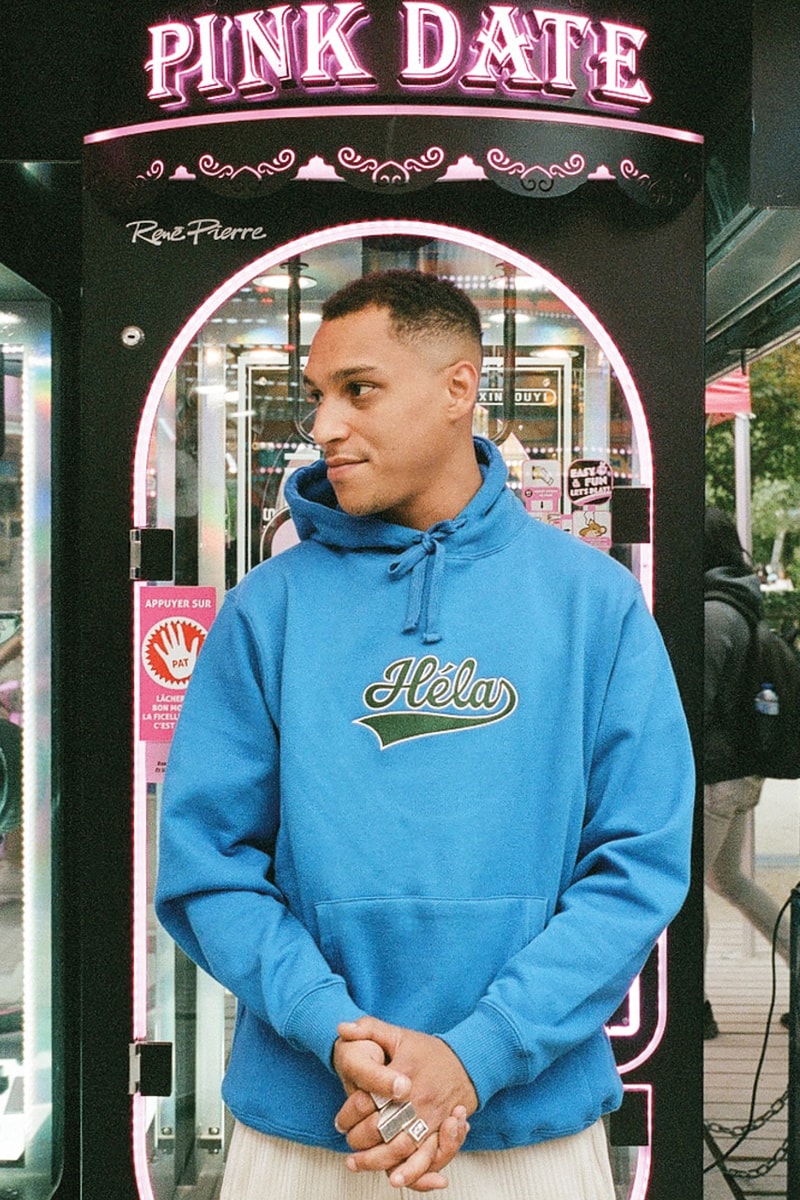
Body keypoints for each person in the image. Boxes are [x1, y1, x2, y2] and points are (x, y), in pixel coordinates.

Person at [155, 269, 694, 1198]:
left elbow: (639, 864)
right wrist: (330, 1026)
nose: (325, 425)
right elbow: (207, 864)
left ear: (458, 389)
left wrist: (480, 1052)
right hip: (313, 1125)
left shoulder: (592, 603)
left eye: (358, 390)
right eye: (317, 396)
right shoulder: (266, 611)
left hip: (526, 1124)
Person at [703, 506, 790, 1039]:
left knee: (687, 894)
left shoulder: (713, 613)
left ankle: (694, 1006)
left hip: (717, 775)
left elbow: (697, 701)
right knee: (728, 879)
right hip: (739, 773)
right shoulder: (739, 599)